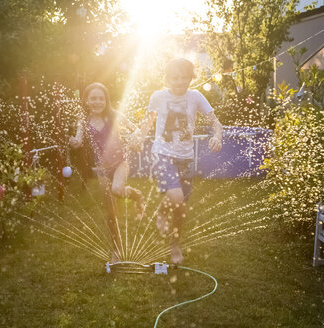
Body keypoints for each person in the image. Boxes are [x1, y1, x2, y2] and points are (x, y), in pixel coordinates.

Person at [130, 58, 223, 264]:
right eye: (175, 77)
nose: (180, 81)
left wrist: (217, 136)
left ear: (191, 77)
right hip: (162, 154)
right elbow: (147, 122)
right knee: (177, 197)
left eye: (184, 77)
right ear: (167, 78)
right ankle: (167, 231)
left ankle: (174, 241)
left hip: (186, 158)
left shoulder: (196, 97)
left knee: (180, 207)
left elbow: (215, 122)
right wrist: (139, 137)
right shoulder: (158, 97)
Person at [69, 82, 144, 263]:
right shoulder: (83, 121)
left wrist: (136, 137)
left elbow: (137, 129)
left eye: (101, 98)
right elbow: (78, 140)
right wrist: (76, 142)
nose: (97, 101)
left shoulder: (114, 116)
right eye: (93, 98)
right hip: (102, 169)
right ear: (86, 100)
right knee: (110, 212)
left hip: (120, 164)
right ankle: (116, 251)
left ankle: (137, 195)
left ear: (106, 100)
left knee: (118, 189)